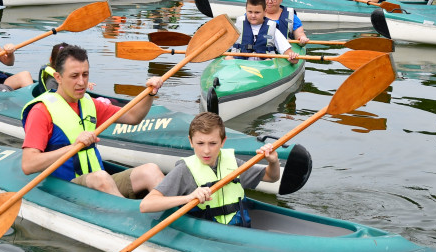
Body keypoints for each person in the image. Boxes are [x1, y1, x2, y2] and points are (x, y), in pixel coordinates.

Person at [21, 44, 164, 197]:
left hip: (100, 183)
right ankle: (132, 218)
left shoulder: (89, 103)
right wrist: (73, 147)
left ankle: (174, 213)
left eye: (85, 74)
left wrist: (150, 93)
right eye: (74, 76)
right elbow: (29, 164)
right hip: (66, 188)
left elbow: (133, 116)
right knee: (101, 177)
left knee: (150, 170)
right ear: (58, 77)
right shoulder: (41, 111)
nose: (82, 82)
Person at [139, 112, 281, 227]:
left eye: (213, 143)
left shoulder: (233, 163)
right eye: (200, 143)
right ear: (191, 141)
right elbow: (146, 205)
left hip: (240, 231)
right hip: (207, 237)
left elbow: (271, 177)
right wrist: (189, 198)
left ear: (223, 141)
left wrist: (273, 162)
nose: (206, 151)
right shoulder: (184, 170)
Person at [232, 0, 300, 61]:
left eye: (257, 12)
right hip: (240, 63)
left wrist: (293, 57)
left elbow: (288, 52)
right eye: (250, 12)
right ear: (246, 10)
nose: (253, 15)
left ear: (265, 12)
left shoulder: (272, 30)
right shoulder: (237, 27)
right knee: (229, 57)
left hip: (264, 65)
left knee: (267, 60)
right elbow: (222, 46)